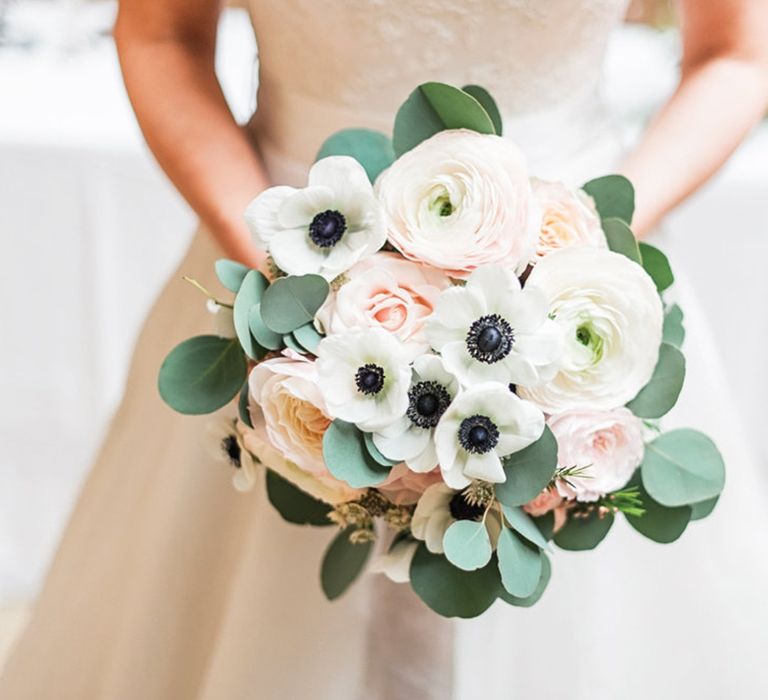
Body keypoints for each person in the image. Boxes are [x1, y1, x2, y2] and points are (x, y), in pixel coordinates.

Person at [3, 1, 768, 698]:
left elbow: (737, 57)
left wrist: (575, 259)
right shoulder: (282, 289)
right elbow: (162, 34)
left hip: (577, 284)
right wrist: (287, 296)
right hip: (280, 250)